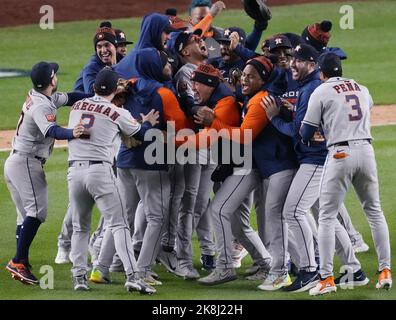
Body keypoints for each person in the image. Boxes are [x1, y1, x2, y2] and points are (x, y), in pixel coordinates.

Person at [197, 56, 297, 287]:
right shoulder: (253, 96)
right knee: (238, 221)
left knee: (220, 210)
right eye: (244, 74)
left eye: (251, 76)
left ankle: (226, 267)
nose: (245, 79)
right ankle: (267, 264)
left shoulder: (261, 100)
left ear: (264, 80)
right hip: (257, 166)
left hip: (262, 166)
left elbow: (244, 136)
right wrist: (238, 87)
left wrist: (214, 121)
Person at [300, 53, 392, 295]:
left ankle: (327, 278)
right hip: (367, 152)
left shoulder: (320, 91)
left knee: (327, 217)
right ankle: (385, 272)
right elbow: (363, 109)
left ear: (321, 72)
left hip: (340, 154)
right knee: (374, 211)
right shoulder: (362, 88)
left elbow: (306, 133)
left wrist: (322, 126)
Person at [67, 68, 157, 293]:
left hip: (74, 173)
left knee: (80, 227)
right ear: (115, 88)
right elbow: (141, 135)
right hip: (100, 172)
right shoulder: (117, 112)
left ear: (95, 87)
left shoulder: (78, 106)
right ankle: (133, 276)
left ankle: (79, 277)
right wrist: (146, 122)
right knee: (118, 224)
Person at [4, 61, 88, 284]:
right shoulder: (41, 106)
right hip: (25, 163)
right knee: (37, 212)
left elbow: (71, 97)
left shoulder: (43, 96)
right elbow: (52, 130)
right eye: (55, 75)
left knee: (25, 215)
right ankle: (18, 261)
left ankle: (22, 261)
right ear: (52, 80)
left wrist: (97, 94)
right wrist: (74, 133)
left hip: (16, 161)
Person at [116, 48, 191, 286]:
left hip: (124, 160)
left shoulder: (127, 86)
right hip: (152, 163)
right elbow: (181, 130)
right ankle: (141, 271)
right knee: (157, 218)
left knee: (122, 218)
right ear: (155, 67)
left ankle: (112, 264)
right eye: (165, 64)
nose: (170, 67)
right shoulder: (164, 93)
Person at [74, 21, 119, 93]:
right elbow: (91, 94)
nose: (103, 50)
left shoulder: (123, 61)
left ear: (115, 47)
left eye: (107, 45)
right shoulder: (91, 68)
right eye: (99, 47)